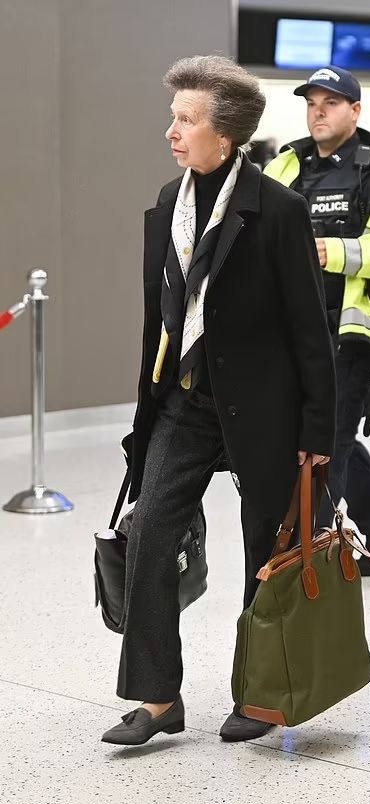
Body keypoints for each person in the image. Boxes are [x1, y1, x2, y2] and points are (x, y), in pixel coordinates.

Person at [101, 55, 336, 746]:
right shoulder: (164, 208)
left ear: (225, 133)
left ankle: (262, 693)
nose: (172, 131)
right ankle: (155, 697)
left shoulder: (279, 211)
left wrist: (317, 428)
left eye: (185, 120)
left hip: (265, 409)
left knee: (265, 547)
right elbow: (164, 321)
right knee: (148, 536)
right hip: (182, 401)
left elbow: (309, 329)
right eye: (173, 116)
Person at [264, 65, 370, 576]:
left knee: (324, 445)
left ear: (354, 111)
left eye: (330, 102)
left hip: (352, 331)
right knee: (323, 436)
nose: (318, 110)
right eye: (311, 102)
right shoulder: (285, 165)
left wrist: (336, 251)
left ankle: (309, 562)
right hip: (293, 332)